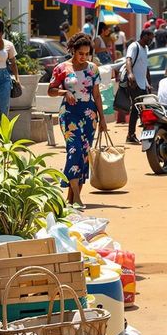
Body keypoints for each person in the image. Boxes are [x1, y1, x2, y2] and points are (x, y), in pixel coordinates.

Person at [48, 33, 108, 208]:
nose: (84, 57)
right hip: (69, 114)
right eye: (81, 53)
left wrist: (103, 119)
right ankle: (77, 198)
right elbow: (51, 90)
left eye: (87, 53)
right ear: (73, 50)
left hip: (90, 114)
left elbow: (96, 95)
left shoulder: (93, 69)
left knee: (83, 154)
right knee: (73, 150)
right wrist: (64, 92)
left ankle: (72, 197)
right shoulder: (61, 68)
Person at [123, 28, 154, 144]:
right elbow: (128, 60)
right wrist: (130, 73)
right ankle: (130, 135)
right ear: (144, 36)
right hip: (134, 83)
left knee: (146, 109)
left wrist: (148, 83)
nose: (151, 40)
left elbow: (145, 66)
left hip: (143, 84)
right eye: (150, 38)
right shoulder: (134, 46)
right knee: (136, 109)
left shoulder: (145, 48)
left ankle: (146, 134)